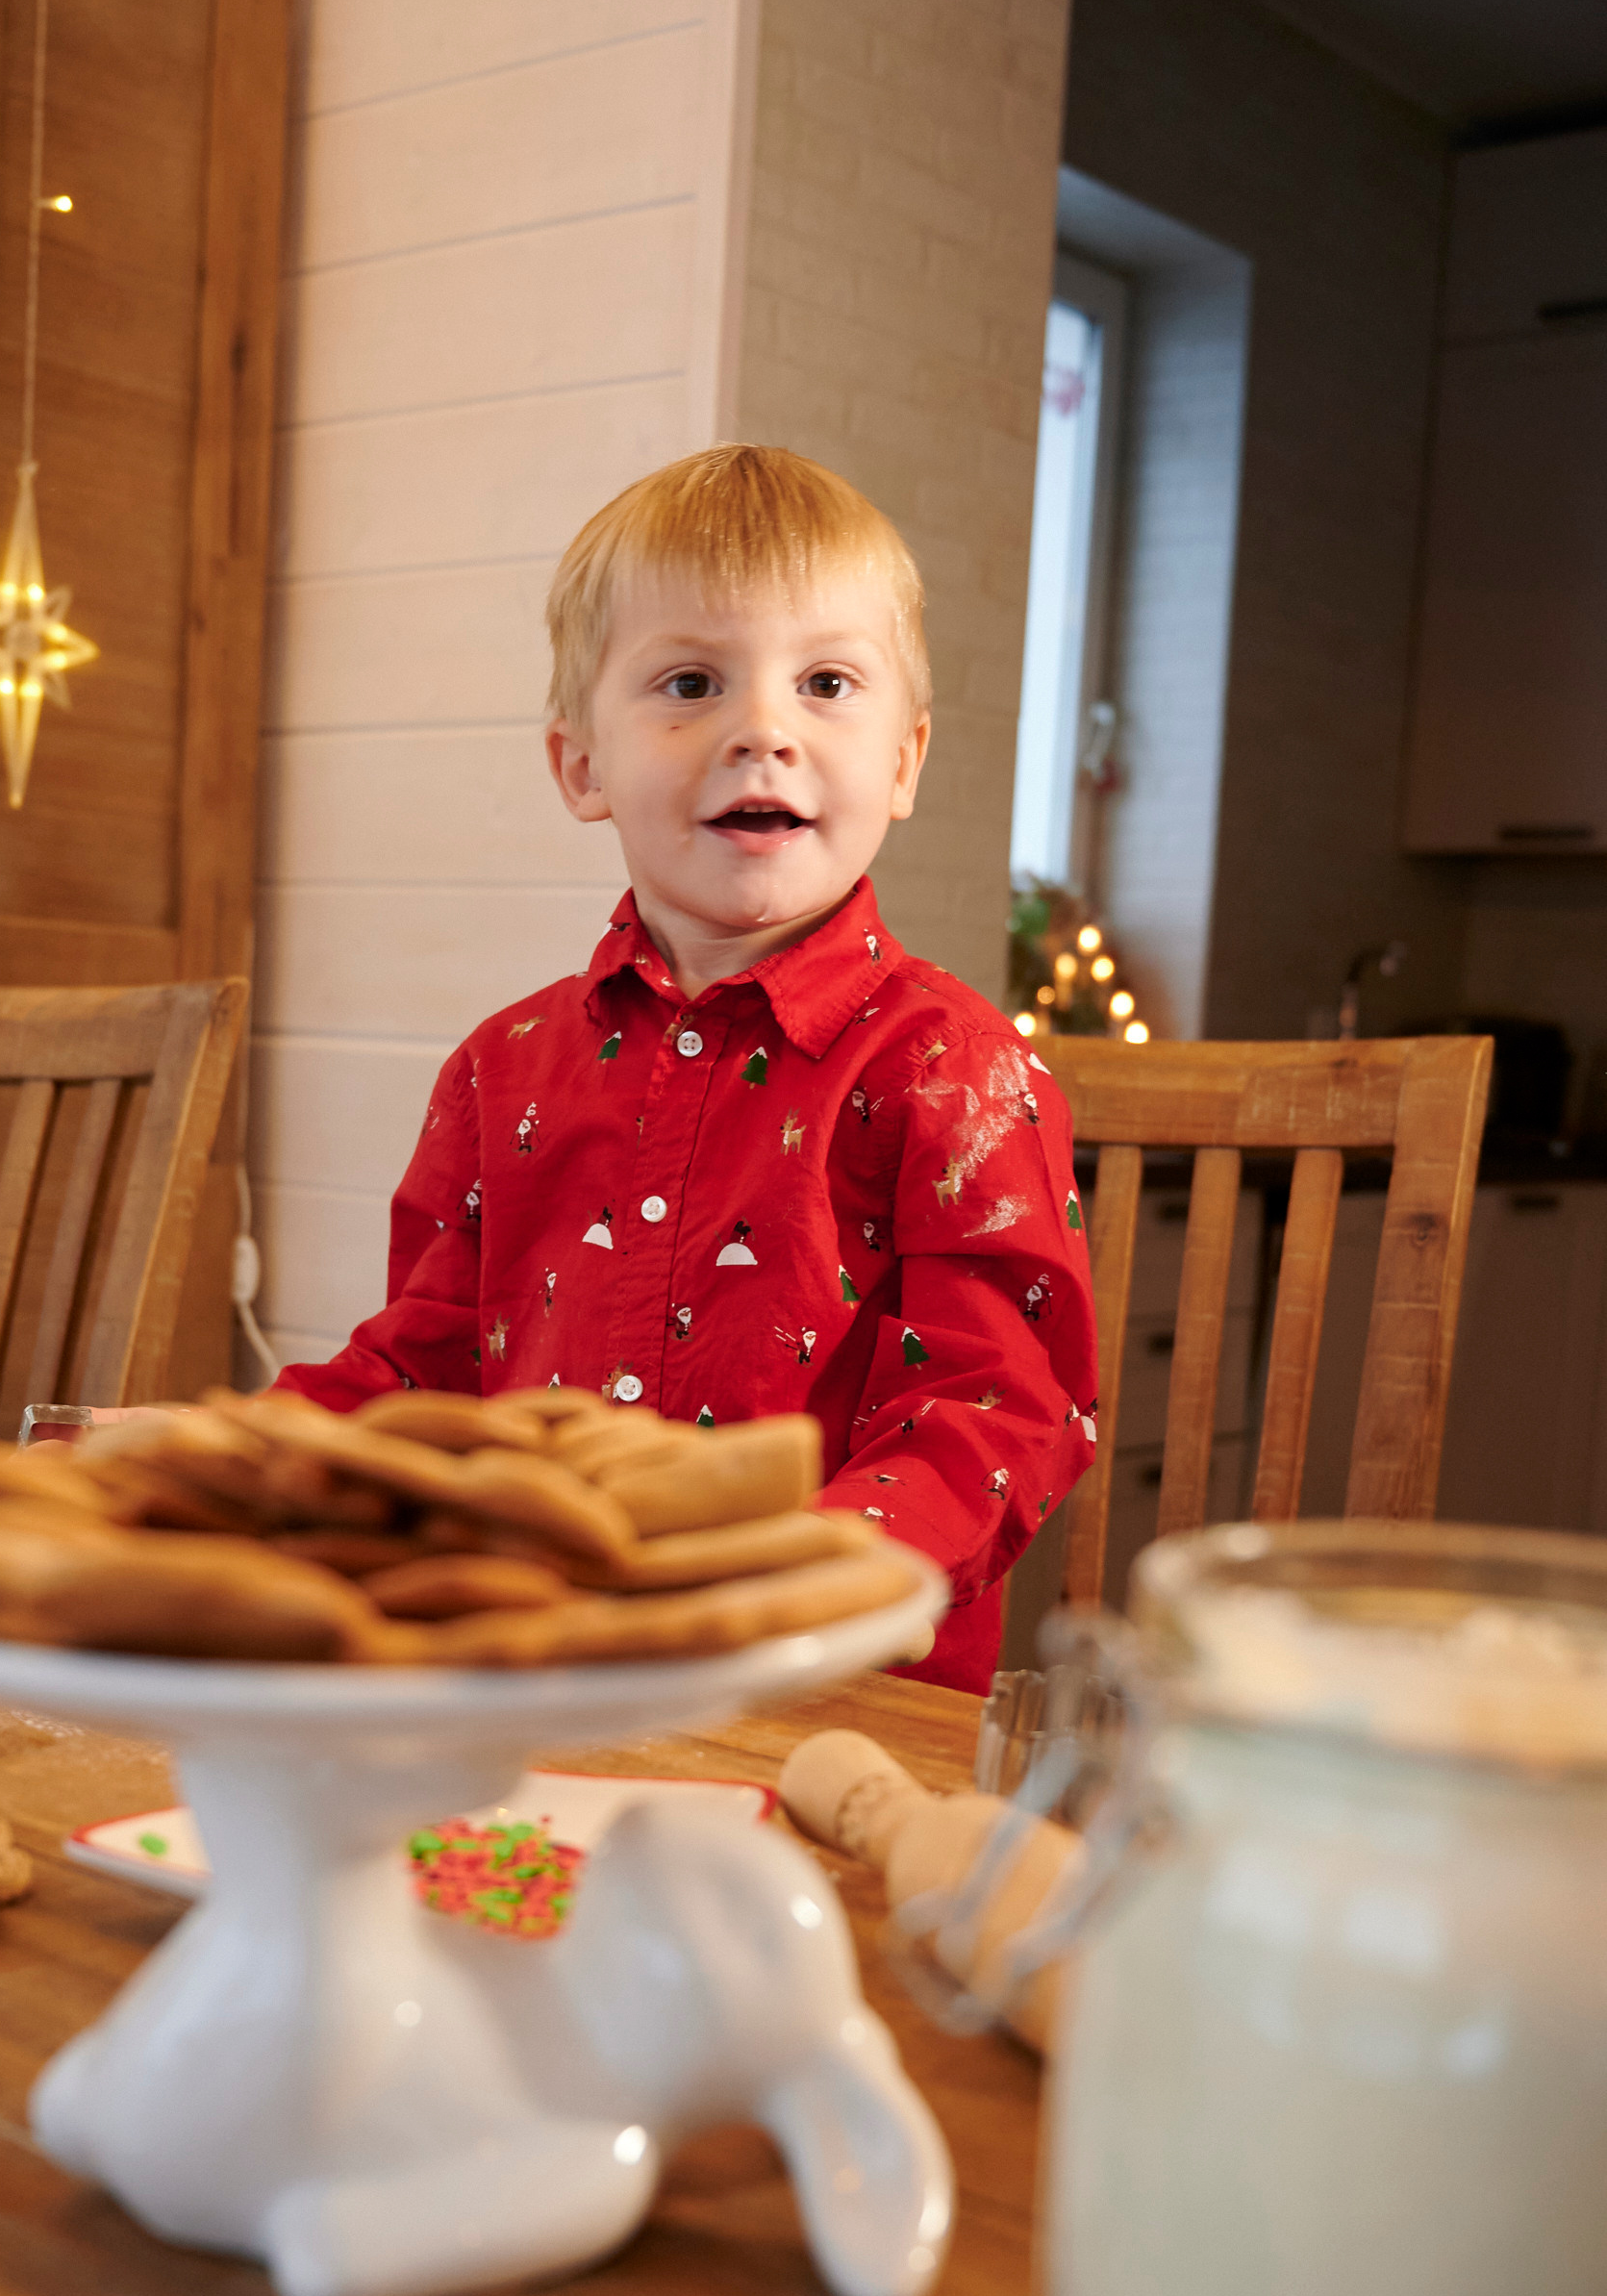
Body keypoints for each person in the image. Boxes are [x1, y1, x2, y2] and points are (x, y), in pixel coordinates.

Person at [275, 445, 1098, 1690]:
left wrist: (795, 1584)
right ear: (581, 766)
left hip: (829, 1710)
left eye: (825, 684)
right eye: (690, 683)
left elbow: (994, 1409)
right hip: (530, 1684)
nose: (761, 731)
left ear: (903, 760)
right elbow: (420, 1370)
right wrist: (246, 1450)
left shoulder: (957, 1074)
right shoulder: (500, 1070)